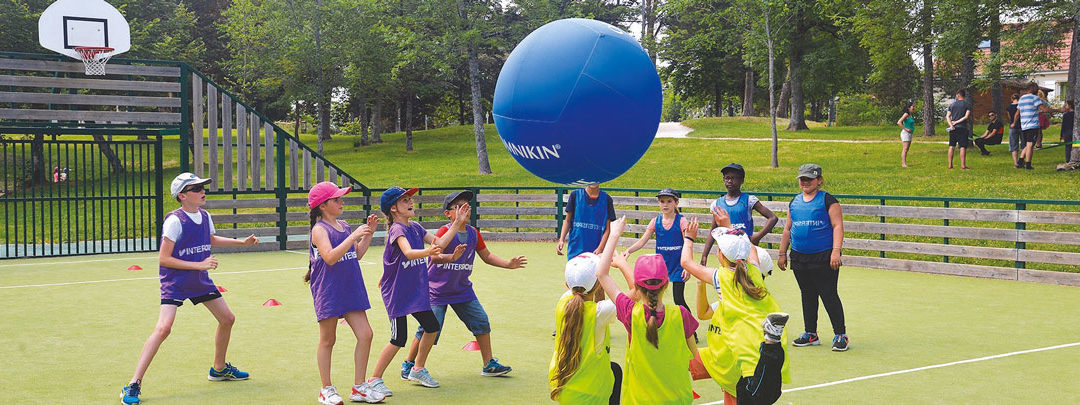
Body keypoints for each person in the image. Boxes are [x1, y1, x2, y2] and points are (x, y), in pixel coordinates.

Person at [120, 173, 258, 405]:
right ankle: (133, 384)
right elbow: (164, 259)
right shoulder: (175, 221)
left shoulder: (204, 215)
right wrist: (199, 264)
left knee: (227, 319)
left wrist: (241, 242)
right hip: (176, 281)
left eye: (202, 187)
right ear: (182, 196)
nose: (202, 191)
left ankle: (219, 368)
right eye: (195, 189)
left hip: (198, 280)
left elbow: (211, 238)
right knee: (164, 329)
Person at [402, 190, 526, 379]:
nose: (465, 210)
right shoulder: (444, 232)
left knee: (481, 321)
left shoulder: (473, 233)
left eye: (467, 206)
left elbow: (487, 256)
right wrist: (451, 257)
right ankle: (410, 364)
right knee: (429, 328)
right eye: (459, 207)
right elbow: (434, 257)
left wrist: (508, 264)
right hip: (436, 291)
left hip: (462, 290)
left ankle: (489, 364)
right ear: (448, 213)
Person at [680, 209, 791, 405]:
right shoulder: (755, 272)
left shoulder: (721, 277)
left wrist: (689, 238)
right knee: (766, 391)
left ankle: (771, 340)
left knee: (753, 395)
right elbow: (751, 249)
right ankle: (771, 340)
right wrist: (730, 227)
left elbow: (686, 262)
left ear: (720, 255)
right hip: (766, 349)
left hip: (748, 358)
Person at [365, 186, 466, 396]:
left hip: (415, 291)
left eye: (410, 198)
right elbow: (409, 253)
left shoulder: (416, 227)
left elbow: (440, 243)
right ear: (393, 209)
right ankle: (374, 379)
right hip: (397, 293)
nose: (411, 202)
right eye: (404, 200)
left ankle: (417, 369)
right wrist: (428, 251)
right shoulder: (397, 230)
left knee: (432, 326)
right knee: (398, 339)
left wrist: (455, 224)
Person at [595, 217, 698, 404]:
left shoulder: (631, 313)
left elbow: (602, 274)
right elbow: (695, 357)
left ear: (637, 286)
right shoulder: (681, 314)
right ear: (666, 284)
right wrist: (689, 240)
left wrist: (614, 234)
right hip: (678, 399)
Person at [305, 182, 385, 405]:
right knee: (328, 340)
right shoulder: (319, 230)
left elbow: (356, 254)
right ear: (323, 206)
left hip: (351, 286)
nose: (342, 202)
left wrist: (367, 234)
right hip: (328, 289)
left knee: (366, 334)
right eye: (337, 199)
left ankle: (359, 387)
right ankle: (326, 389)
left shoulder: (344, 225)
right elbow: (330, 257)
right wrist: (354, 236)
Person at [777, 164, 848, 352]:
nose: (805, 182)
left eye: (809, 178)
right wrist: (782, 253)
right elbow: (787, 228)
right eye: (802, 179)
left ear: (819, 180)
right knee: (807, 295)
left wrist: (836, 250)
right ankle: (811, 333)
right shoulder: (794, 202)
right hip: (800, 257)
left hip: (824, 256)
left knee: (828, 294)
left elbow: (837, 226)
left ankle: (841, 334)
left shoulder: (828, 200)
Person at [549, 253, 620, 404]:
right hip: (593, 394)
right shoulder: (599, 313)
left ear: (568, 285)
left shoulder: (563, 303)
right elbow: (636, 292)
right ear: (599, 284)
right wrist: (621, 264)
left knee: (615, 369)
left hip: (564, 389)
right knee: (615, 371)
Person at [622, 188, 691, 319]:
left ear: (676, 203)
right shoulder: (655, 221)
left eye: (669, 201)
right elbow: (642, 241)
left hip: (678, 267)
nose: (665, 204)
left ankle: (691, 331)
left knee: (678, 300)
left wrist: (687, 266)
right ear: (658, 203)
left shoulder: (682, 221)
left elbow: (688, 244)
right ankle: (654, 324)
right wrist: (628, 250)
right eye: (662, 201)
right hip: (660, 269)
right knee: (653, 300)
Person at [702, 163, 778, 258]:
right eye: (727, 178)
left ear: (741, 180)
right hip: (726, 254)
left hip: (746, 252)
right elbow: (713, 230)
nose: (729, 181)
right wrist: (704, 256)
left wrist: (757, 237)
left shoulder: (749, 200)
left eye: (733, 178)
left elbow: (773, 218)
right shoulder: (717, 204)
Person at [557, 184, 616, 259]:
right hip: (575, 251)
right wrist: (561, 239)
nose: (593, 181)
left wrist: (600, 248)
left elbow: (607, 229)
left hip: (595, 252)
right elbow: (567, 221)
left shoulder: (607, 199)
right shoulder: (575, 195)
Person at [1016, 83, 1062, 170]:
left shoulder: (1022, 98)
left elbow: (1017, 113)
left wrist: (1014, 123)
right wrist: (1059, 110)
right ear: (1034, 89)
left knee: (1027, 144)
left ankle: (1021, 161)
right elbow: (1044, 109)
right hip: (1032, 125)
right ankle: (1028, 164)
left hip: (1024, 125)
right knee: (1030, 145)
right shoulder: (1035, 98)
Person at [945, 89, 972, 170]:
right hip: (962, 127)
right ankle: (963, 166)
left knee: (951, 146)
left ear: (958, 95)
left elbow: (948, 116)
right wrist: (957, 122)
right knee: (962, 146)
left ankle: (950, 165)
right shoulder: (967, 105)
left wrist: (951, 124)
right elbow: (966, 116)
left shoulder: (952, 105)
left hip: (953, 128)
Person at [895, 102, 916, 167]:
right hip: (905, 134)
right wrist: (906, 129)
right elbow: (899, 122)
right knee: (905, 149)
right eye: (912, 106)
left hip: (910, 134)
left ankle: (904, 163)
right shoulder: (906, 114)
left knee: (907, 149)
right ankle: (903, 164)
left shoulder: (910, 115)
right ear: (909, 107)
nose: (914, 107)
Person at [1006, 93, 1022, 167]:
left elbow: (1009, 116)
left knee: (1013, 145)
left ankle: (1015, 163)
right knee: (1024, 144)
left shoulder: (1008, 107)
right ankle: (1022, 160)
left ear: (1012, 99)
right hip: (1022, 126)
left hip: (1012, 126)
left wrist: (1012, 122)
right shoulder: (1021, 106)